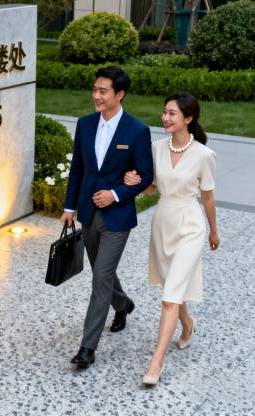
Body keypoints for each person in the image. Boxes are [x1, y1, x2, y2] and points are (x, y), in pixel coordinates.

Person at [122, 92, 219, 385]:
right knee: (172, 287)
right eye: (164, 112)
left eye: (172, 113)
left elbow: (208, 197)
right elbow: (152, 188)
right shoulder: (156, 148)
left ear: (188, 118)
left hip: (190, 226)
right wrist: (135, 183)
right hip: (163, 224)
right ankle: (187, 323)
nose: (165, 118)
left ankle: (157, 361)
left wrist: (214, 231)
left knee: (169, 298)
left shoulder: (203, 155)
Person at [61, 66, 154, 369]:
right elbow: (78, 169)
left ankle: (87, 348)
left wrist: (115, 194)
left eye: (103, 91)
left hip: (117, 217)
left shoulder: (136, 130)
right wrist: (69, 206)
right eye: (95, 90)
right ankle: (123, 304)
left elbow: (145, 176)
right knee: (103, 272)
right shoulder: (85, 124)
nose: (96, 96)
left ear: (120, 94)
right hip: (88, 213)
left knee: (100, 275)